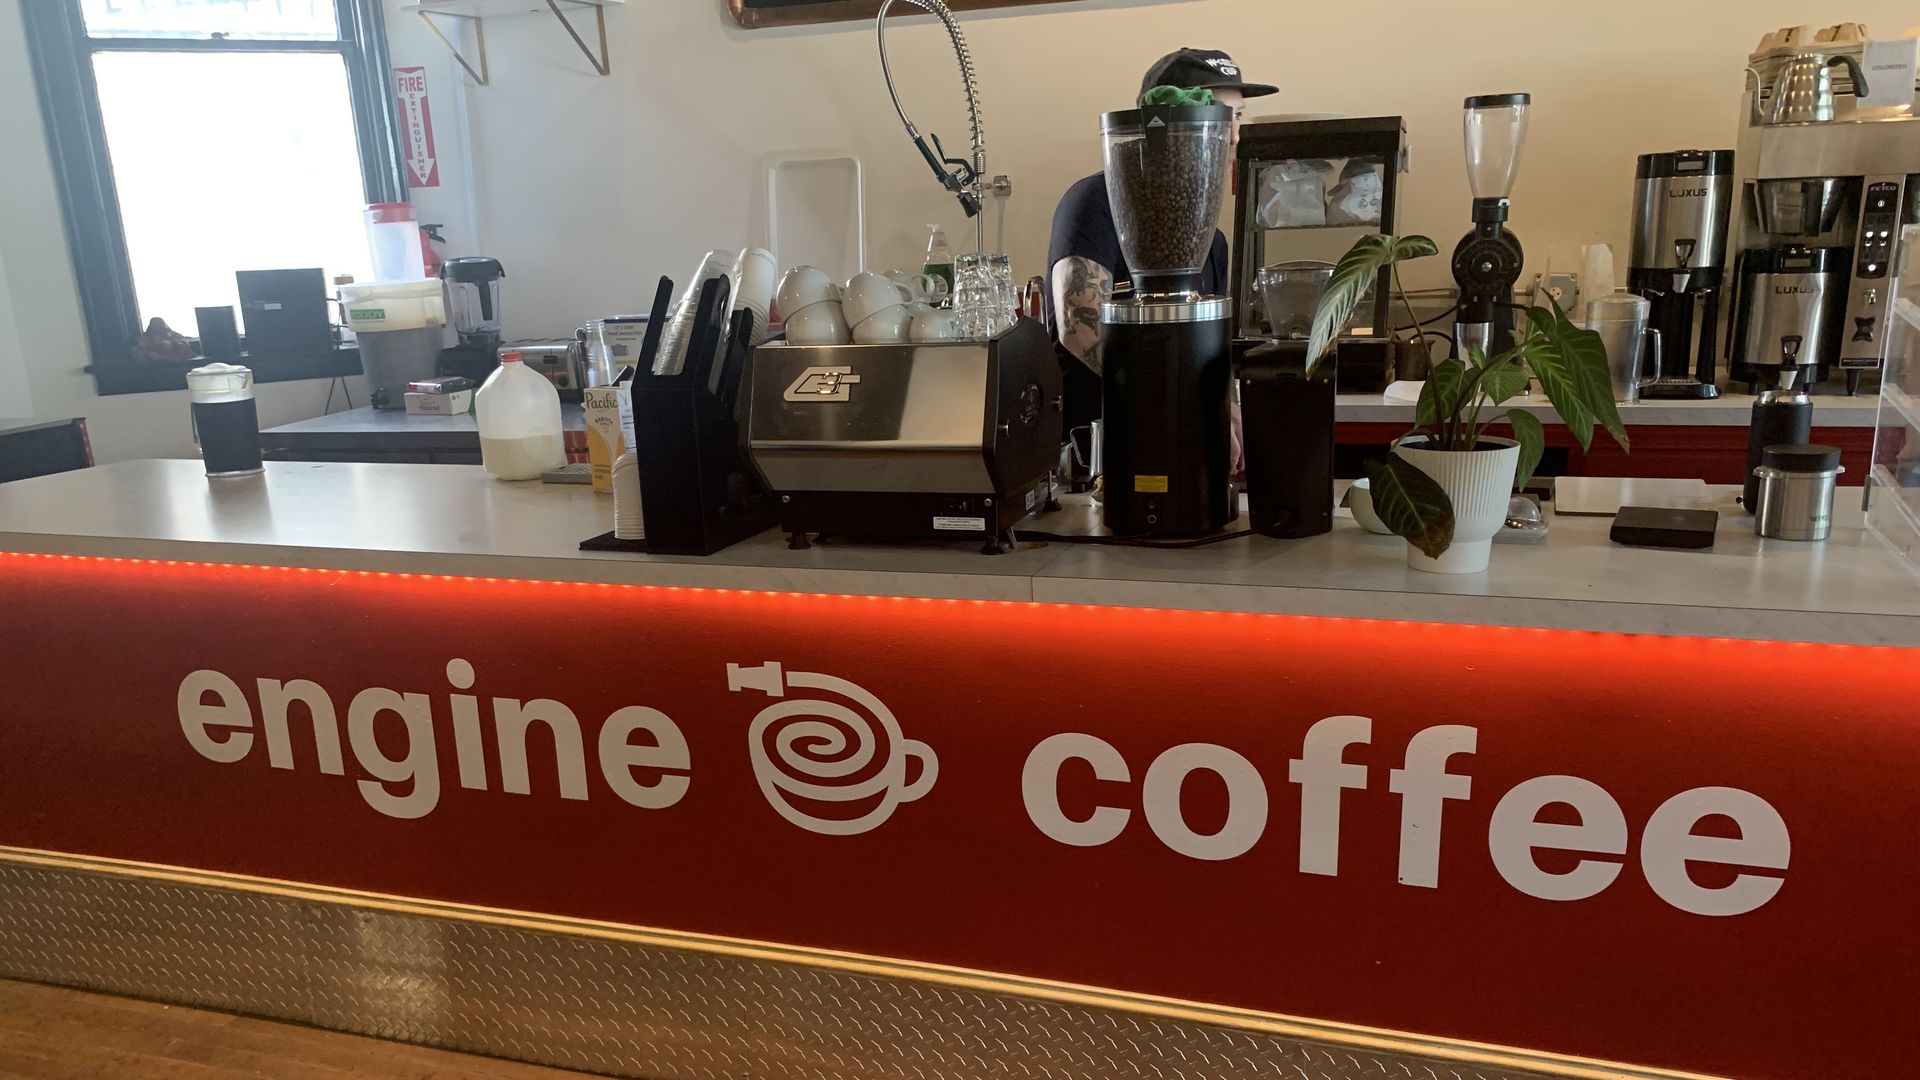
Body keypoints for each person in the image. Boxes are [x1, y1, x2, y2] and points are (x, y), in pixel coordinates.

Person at [1043, 49, 1277, 454]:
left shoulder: (1210, 239)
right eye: (1221, 115)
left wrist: (1228, 406)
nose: (1234, 136)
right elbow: (1077, 328)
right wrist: (1181, 401)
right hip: (1096, 446)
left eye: (1237, 118)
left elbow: (1212, 344)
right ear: (1169, 121)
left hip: (1183, 437)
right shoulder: (1095, 201)